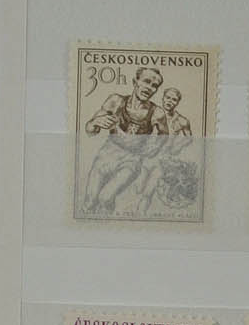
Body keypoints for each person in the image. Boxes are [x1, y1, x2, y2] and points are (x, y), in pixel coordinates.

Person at [80, 64, 164, 215]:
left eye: (154, 86)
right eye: (146, 81)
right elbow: (90, 130)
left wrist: (153, 147)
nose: (149, 88)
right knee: (89, 201)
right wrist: (95, 122)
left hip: (130, 161)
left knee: (105, 198)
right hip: (106, 156)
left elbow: (165, 135)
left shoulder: (157, 113)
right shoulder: (116, 101)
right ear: (135, 81)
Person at [135, 85, 194, 215]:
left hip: (162, 161)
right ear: (163, 98)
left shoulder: (182, 121)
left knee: (147, 193)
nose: (169, 101)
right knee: (138, 189)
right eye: (168, 97)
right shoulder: (152, 113)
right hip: (146, 158)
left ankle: (140, 216)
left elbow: (189, 138)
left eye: (174, 99)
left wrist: (178, 146)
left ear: (177, 102)